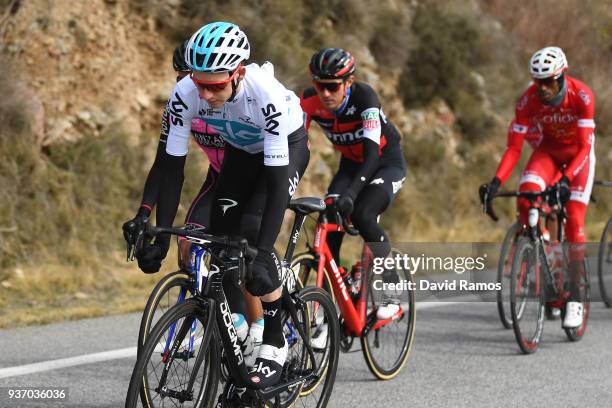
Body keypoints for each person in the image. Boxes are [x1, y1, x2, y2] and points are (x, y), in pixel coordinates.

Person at [131, 22, 309, 388]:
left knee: (250, 233)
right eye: (200, 84)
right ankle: (240, 334)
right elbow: (170, 167)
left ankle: (274, 338)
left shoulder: (267, 97)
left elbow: (276, 187)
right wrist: (160, 233)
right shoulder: (185, 93)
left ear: (239, 72)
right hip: (241, 153)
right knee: (220, 242)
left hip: (284, 150)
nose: (206, 95)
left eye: (215, 86)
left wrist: (260, 251)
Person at [122, 40, 267, 366]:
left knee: (238, 252)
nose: (192, 83)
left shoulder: (230, 99)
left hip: (253, 178)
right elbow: (167, 166)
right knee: (188, 243)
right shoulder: (185, 100)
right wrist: (148, 217)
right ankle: (208, 312)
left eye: (197, 75)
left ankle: (259, 325)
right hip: (219, 179)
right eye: (183, 74)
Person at [479, 46, 596, 329]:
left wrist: (566, 181)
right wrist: (495, 182)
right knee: (526, 197)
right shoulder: (527, 101)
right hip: (548, 153)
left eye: (548, 81)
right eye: (536, 81)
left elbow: (583, 146)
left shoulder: (581, 96)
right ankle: (542, 245)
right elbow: (513, 149)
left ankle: (576, 298)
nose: (541, 88)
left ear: (561, 77)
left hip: (578, 157)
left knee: (575, 218)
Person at [300, 48, 407, 320]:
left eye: (332, 86)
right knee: (327, 223)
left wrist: (350, 194)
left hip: (384, 162)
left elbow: (371, 158)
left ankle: (392, 292)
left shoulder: (365, 99)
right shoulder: (309, 101)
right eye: (319, 85)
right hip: (350, 165)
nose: (325, 93)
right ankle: (327, 309)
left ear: (348, 82)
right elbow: (295, 147)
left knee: (363, 214)